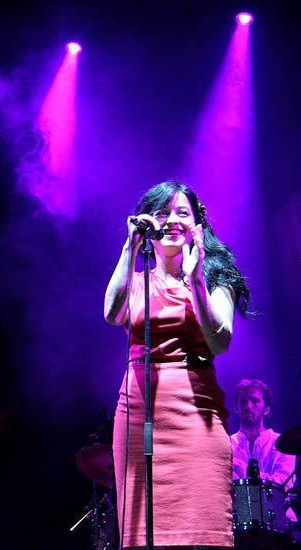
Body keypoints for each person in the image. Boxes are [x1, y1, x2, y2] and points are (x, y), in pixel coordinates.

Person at [104, 181, 250, 549]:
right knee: (141, 536)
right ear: (147, 223)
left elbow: (220, 342)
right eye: (162, 213)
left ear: (197, 223)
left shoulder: (216, 277)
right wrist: (129, 247)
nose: (172, 220)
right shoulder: (137, 279)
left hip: (195, 416)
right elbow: (112, 314)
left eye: (182, 212)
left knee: (202, 531)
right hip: (138, 414)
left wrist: (195, 279)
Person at [230, 379, 297, 524]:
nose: (248, 406)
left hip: (279, 520)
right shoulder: (226, 444)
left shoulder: (284, 442)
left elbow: (283, 484)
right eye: (243, 401)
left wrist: (243, 471)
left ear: (266, 409)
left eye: (254, 401)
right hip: (240, 520)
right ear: (236, 407)